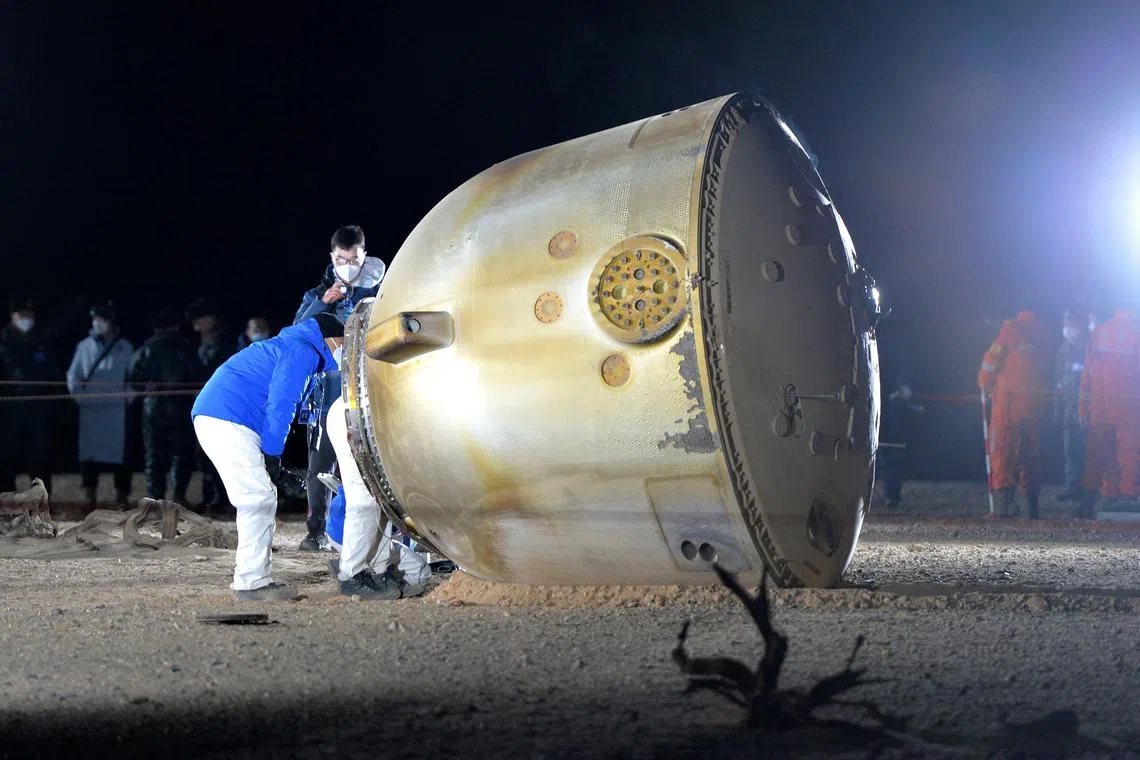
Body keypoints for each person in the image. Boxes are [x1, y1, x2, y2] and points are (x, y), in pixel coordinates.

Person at [291, 225, 386, 551]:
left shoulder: (380, 290)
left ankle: (375, 530)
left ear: (364, 255)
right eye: (342, 259)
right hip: (327, 390)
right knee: (321, 462)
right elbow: (296, 331)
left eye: (354, 259)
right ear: (333, 257)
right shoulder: (315, 294)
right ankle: (316, 529)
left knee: (372, 457)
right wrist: (322, 302)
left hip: (368, 386)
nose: (348, 264)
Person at [977, 311, 1050, 518]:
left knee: (1002, 453)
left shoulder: (1008, 335)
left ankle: (1004, 506)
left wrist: (984, 383)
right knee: (1030, 456)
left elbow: (989, 365)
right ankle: (1031, 507)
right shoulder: (1042, 341)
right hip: (1033, 408)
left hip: (1006, 406)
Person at [129, 307, 201, 503]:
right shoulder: (186, 347)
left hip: (152, 406)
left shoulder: (146, 348)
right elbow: (197, 375)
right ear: (176, 326)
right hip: (181, 405)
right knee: (181, 454)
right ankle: (178, 497)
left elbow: (134, 378)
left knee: (154, 454)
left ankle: (155, 498)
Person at [66, 303, 136, 507]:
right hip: (91, 409)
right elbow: (73, 374)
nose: (97, 323)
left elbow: (133, 377)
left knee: (120, 454)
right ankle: (90, 493)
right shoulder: (84, 346)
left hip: (116, 410)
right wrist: (79, 396)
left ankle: (122, 494)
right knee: (90, 453)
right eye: (95, 319)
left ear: (112, 322)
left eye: (102, 319)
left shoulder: (126, 347)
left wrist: (128, 397)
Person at [1077, 305, 1140, 519]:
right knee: (1129, 452)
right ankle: (1129, 496)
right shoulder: (1137, 330)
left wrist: (1083, 406)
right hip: (1131, 404)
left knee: (1101, 454)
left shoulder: (1099, 332)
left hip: (1100, 405)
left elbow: (1087, 375)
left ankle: (1102, 497)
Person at [0, 298, 65, 496]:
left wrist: (59, 403)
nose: (27, 320)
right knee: (5, 462)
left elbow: (54, 376)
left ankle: (42, 507)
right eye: (22, 316)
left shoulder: (41, 344)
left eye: (30, 316)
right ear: (13, 317)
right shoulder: (3, 345)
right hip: (8, 413)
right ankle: (6, 508)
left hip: (38, 412)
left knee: (40, 461)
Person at [187, 297, 240, 511]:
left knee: (221, 454)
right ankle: (211, 496)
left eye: (202, 318)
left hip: (221, 405)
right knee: (204, 455)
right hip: (203, 405)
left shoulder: (226, 346)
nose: (198, 323)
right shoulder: (198, 347)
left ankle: (223, 498)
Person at [1054, 308, 1090, 501]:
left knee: (1088, 448)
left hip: (1087, 406)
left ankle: (1090, 488)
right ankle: (1072, 486)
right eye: (1066, 323)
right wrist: (1056, 409)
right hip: (1068, 406)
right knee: (1070, 448)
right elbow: (1057, 378)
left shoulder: (1089, 347)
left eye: (1072, 323)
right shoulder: (1063, 349)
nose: (1068, 328)